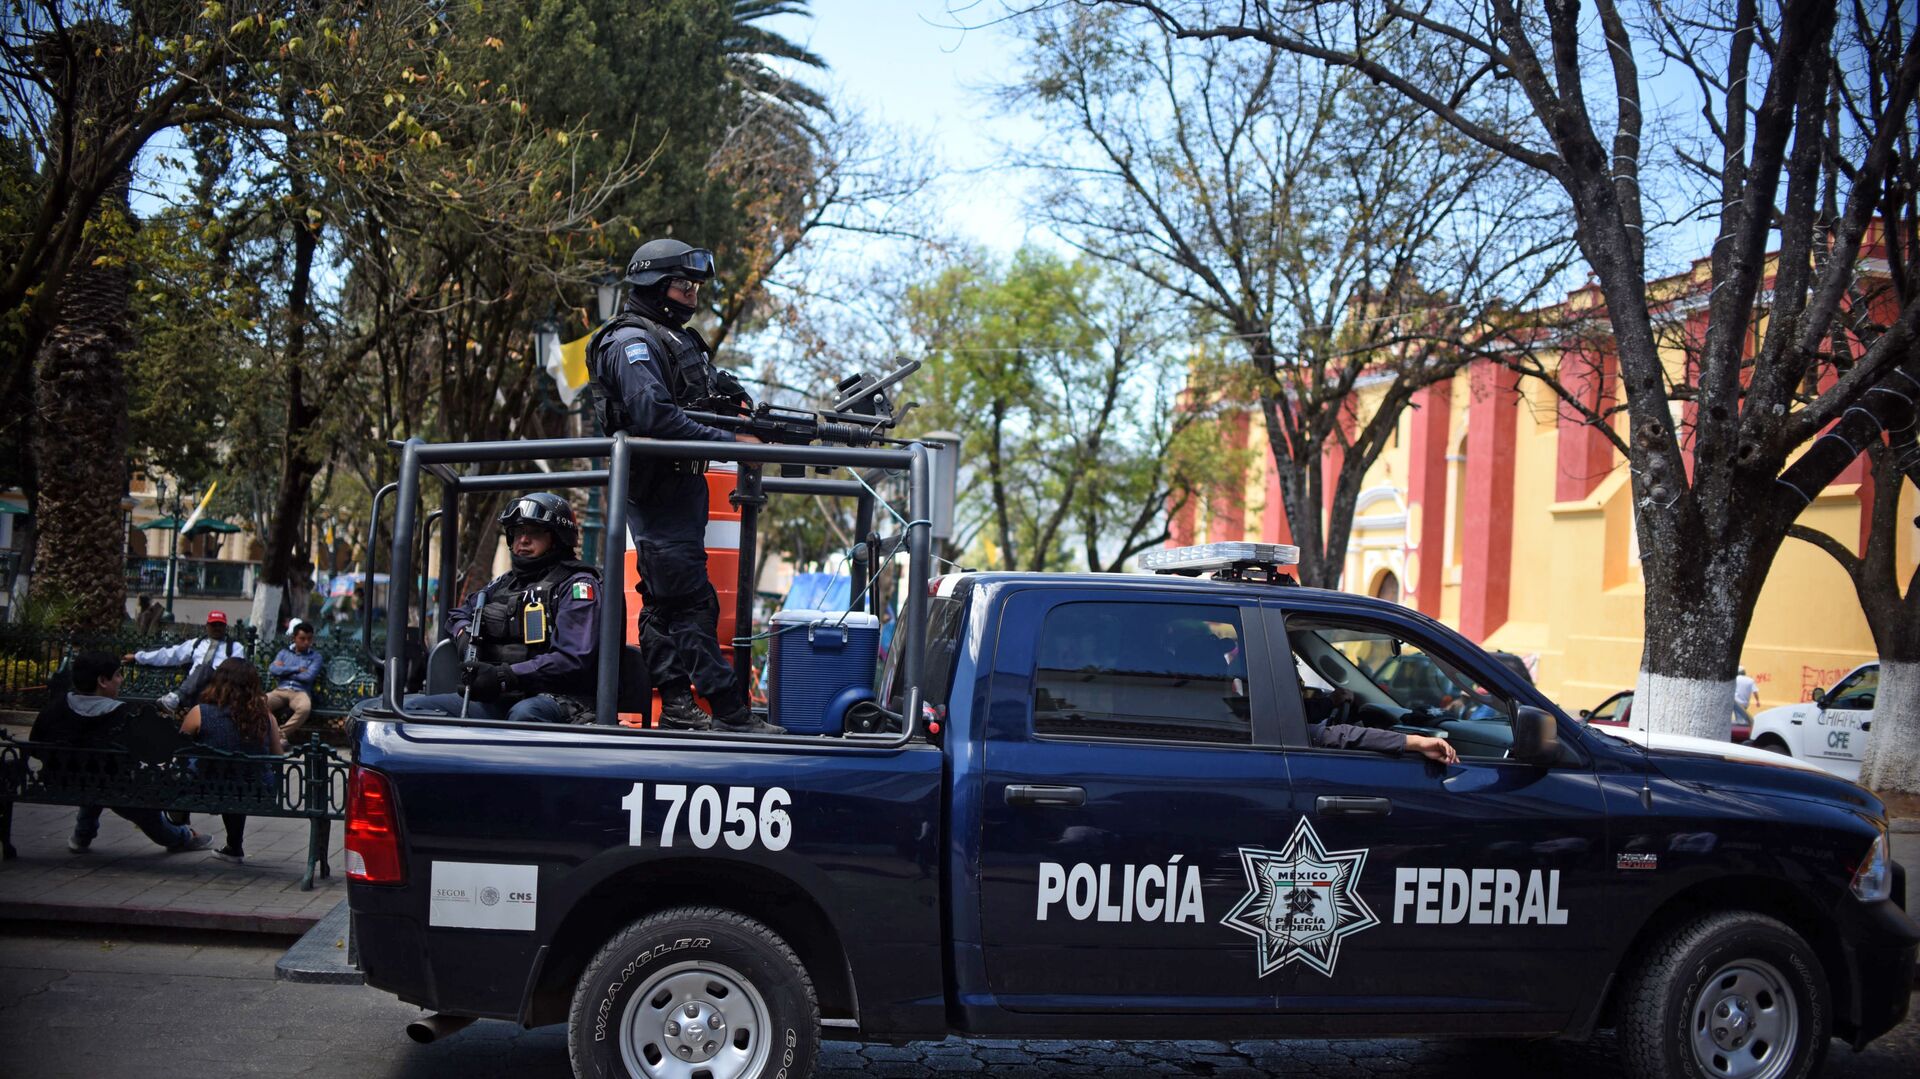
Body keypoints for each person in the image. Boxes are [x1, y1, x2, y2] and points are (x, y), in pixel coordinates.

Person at [586, 237, 781, 734]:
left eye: (696, 286)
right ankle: (730, 713)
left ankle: (676, 703)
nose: (692, 295)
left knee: (663, 603)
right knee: (690, 605)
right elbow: (654, 415)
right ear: (653, 284)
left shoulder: (674, 340)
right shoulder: (630, 343)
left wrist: (734, 409)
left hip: (682, 488)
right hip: (658, 489)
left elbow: (699, 398)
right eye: (682, 284)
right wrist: (733, 440)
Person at [404, 493, 601, 724]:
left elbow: (572, 659)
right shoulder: (504, 583)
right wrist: (464, 634)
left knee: (524, 715)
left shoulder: (577, 585)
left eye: (534, 532)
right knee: (411, 708)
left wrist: (506, 675)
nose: (523, 540)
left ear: (558, 537)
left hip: (560, 699)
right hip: (502, 698)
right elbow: (459, 614)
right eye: (517, 532)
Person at [29, 651, 214, 854]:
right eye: (117, 674)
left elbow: (36, 748)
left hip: (60, 780)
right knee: (127, 795)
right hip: (115, 787)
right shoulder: (125, 716)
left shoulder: (54, 709)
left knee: (93, 775)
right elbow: (153, 755)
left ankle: (83, 834)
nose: (121, 680)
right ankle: (183, 837)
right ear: (102, 681)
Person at [181, 658, 284, 865]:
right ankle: (234, 846)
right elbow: (278, 757)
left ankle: (179, 821)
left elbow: (177, 749)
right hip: (255, 790)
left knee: (203, 764)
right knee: (239, 775)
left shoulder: (200, 713)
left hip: (205, 787)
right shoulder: (265, 717)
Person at [123, 610, 246, 711]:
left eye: (220, 625)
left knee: (205, 668)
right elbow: (170, 655)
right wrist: (138, 657)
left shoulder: (235, 647)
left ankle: (176, 697)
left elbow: (237, 671)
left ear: (225, 627)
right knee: (203, 669)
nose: (217, 628)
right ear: (207, 626)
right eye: (214, 625)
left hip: (220, 691)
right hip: (196, 693)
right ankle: (178, 698)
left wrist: (215, 673)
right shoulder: (196, 644)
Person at [267, 621, 324, 738]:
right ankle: (266, 732)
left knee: (304, 708)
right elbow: (273, 669)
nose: (306, 642)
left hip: (300, 691)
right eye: (302, 639)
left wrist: (284, 671)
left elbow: (308, 677)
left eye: (309, 639)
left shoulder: (315, 657)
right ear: (294, 638)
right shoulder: (284, 653)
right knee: (259, 703)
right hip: (281, 690)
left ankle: (280, 735)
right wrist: (297, 669)